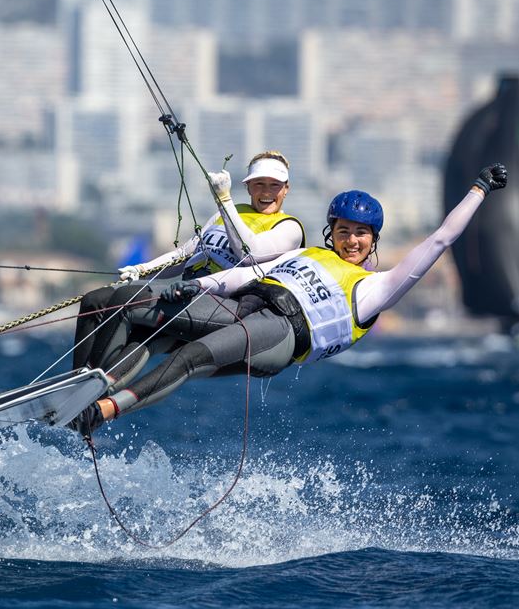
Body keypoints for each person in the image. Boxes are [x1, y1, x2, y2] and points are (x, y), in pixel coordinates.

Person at [71, 163, 509, 435]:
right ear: (331, 232)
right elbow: (247, 274)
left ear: (373, 239)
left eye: (361, 234)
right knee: (129, 304)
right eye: (343, 231)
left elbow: (440, 239)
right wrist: (195, 286)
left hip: (280, 334)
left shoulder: (378, 288)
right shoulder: (306, 253)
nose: (351, 240)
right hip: (243, 305)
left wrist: (478, 189)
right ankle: (85, 384)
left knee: (192, 357)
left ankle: (103, 412)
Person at [72, 151, 305, 373]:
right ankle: (78, 378)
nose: (266, 192)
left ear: (286, 189)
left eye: (274, 185)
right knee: (95, 299)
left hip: (222, 304)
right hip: (183, 292)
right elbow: (185, 254)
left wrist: (224, 200)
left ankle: (94, 381)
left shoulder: (288, 227)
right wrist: (142, 270)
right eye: (259, 184)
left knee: (131, 308)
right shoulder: (228, 213)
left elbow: (251, 252)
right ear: (248, 187)